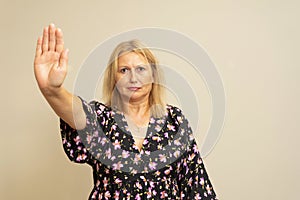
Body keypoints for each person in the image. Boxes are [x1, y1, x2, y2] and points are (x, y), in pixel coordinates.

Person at [34, 24, 218, 200]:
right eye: (124, 70)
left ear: (153, 75)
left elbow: (196, 185)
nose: (133, 77)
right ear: (114, 78)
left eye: (140, 69)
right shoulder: (102, 119)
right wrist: (52, 90)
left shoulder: (174, 121)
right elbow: (75, 111)